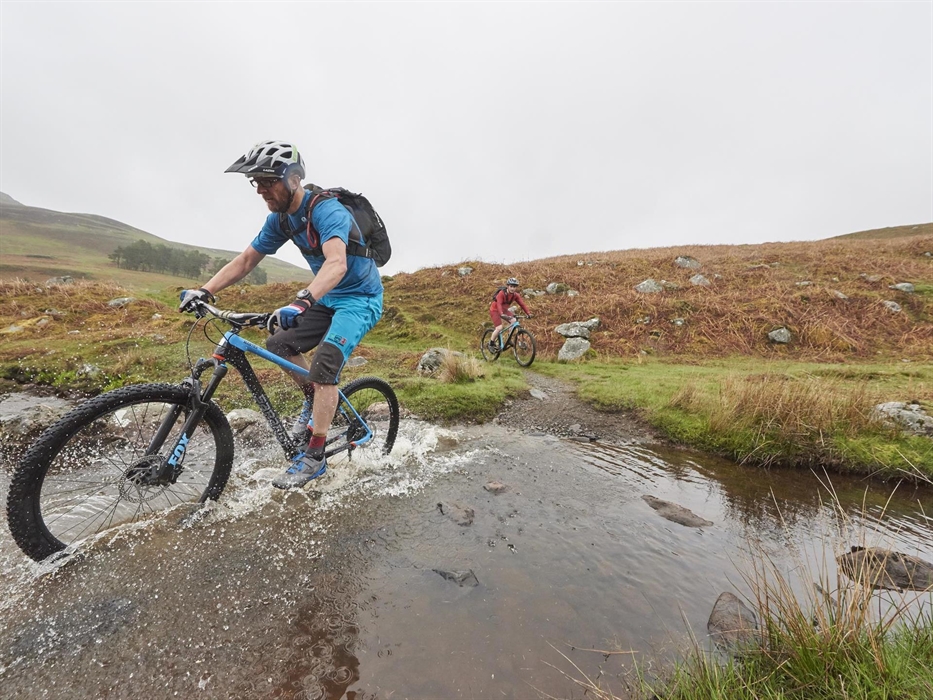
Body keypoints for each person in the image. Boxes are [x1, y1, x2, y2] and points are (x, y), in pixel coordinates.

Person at [179, 140, 383, 489]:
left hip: (359, 299)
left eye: (266, 181)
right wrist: (206, 289)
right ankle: (315, 404)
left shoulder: (327, 211)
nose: (260, 190)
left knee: (325, 366)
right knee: (279, 344)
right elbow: (246, 260)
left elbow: (336, 263)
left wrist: (302, 301)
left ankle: (315, 455)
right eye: (255, 182)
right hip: (327, 297)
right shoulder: (280, 220)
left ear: (292, 179)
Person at [488, 277, 531, 350]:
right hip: (495, 310)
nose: (512, 288)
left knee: (514, 321)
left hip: (504, 310)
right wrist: (501, 314)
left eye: (514, 287)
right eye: (511, 286)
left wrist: (528, 313)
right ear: (507, 286)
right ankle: (491, 343)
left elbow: (522, 304)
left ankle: (509, 339)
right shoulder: (502, 293)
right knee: (499, 328)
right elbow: (499, 304)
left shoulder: (515, 295)